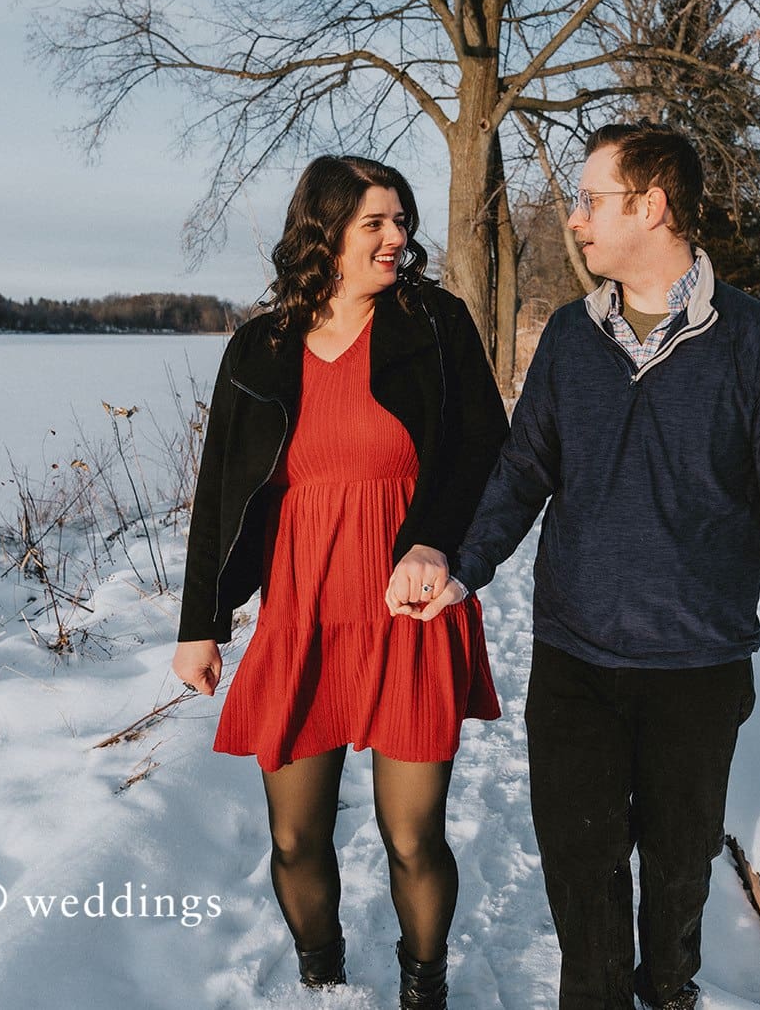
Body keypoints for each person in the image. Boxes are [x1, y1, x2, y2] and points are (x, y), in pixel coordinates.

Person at [388, 122, 760, 1010]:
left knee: (678, 875)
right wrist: (461, 566)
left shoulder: (756, 342)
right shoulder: (568, 336)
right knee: (583, 876)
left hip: (696, 666)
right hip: (576, 661)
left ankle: (669, 988)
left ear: (652, 204)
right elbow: (523, 471)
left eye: (593, 198)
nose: (578, 217)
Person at [173, 154, 508, 1010]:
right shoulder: (262, 345)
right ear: (325, 232)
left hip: (409, 604)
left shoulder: (433, 322)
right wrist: (201, 620)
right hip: (303, 607)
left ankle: (422, 987)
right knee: (293, 836)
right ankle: (323, 978)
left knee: (411, 833)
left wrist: (436, 543)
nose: (399, 238)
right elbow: (220, 487)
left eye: (402, 221)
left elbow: (483, 449)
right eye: (376, 223)